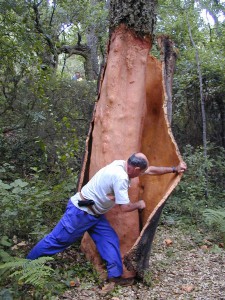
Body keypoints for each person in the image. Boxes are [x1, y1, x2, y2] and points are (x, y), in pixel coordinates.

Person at [26, 152, 187, 286]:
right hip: (80, 213)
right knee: (56, 241)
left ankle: (115, 276)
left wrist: (174, 169)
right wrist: (138, 204)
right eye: (140, 172)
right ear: (135, 168)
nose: (141, 175)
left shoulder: (123, 164)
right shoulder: (121, 177)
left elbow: (150, 170)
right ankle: (26, 267)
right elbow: (124, 208)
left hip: (95, 214)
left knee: (109, 239)